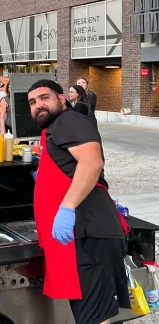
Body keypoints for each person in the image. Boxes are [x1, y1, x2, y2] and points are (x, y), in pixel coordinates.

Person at [27, 79, 129, 324]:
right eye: (32, 102)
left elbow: (92, 162)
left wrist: (66, 208)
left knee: (94, 318)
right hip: (82, 235)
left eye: (44, 98)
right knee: (95, 316)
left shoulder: (69, 120)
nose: (38, 105)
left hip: (89, 233)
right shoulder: (55, 128)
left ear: (62, 99)